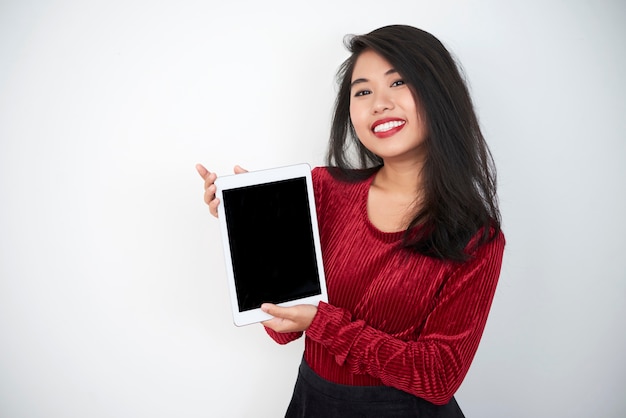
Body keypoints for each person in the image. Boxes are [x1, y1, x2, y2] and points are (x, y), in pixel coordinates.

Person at [197, 24, 505, 418]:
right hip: (313, 403)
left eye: (399, 83)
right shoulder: (323, 189)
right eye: (363, 91)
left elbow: (439, 376)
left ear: (439, 96)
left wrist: (324, 323)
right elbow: (281, 329)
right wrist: (255, 236)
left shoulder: (478, 237)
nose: (379, 103)